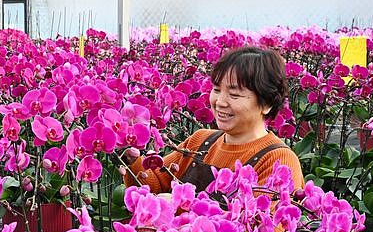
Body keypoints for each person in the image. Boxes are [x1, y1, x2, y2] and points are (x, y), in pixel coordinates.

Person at [128, 46, 304, 194]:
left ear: (266, 103)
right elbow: (157, 182)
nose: (220, 102)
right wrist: (132, 160)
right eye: (217, 90)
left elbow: (261, 223)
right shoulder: (200, 141)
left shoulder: (279, 161)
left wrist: (178, 205)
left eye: (234, 95)